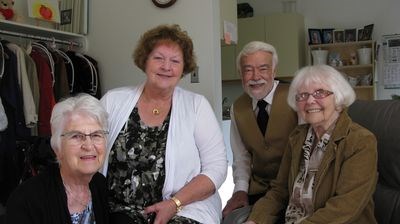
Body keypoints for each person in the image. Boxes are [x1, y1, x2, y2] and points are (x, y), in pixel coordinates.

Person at [100, 24, 227, 224]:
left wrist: (174, 203)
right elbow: (88, 148)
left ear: (184, 67)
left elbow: (217, 167)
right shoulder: (113, 101)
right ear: (145, 61)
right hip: (120, 209)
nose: (166, 67)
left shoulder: (197, 106)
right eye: (158, 58)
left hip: (184, 207)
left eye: (175, 61)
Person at [245, 65, 378, 224]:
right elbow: (279, 192)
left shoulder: (360, 141)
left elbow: (345, 207)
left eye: (320, 93)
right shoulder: (297, 137)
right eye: (302, 95)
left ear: (338, 98)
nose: (309, 101)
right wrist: (255, 220)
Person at [222, 41, 298, 222]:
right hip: (259, 190)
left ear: (274, 71)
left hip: (293, 187)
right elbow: (241, 157)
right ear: (240, 74)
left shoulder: (296, 98)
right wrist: (240, 190)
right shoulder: (238, 108)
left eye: (263, 69)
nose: (255, 77)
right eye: (248, 70)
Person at [5, 93, 109, 224]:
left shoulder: (100, 185)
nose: (88, 145)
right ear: (57, 148)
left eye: (96, 135)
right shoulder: (26, 200)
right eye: (76, 136)